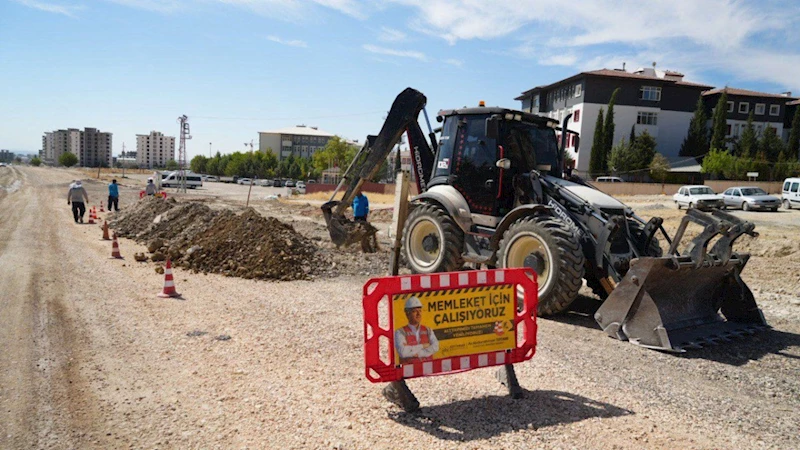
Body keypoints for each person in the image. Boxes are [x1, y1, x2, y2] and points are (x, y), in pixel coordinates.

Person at [394, 296, 439, 363]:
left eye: (420, 311)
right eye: (414, 311)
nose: (418, 314)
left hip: (428, 369)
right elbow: (403, 352)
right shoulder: (400, 332)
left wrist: (417, 353)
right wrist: (423, 346)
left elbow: (435, 347)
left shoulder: (428, 330)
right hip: (408, 371)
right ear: (407, 314)